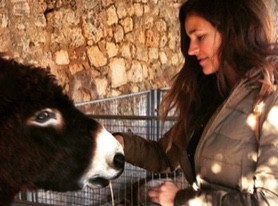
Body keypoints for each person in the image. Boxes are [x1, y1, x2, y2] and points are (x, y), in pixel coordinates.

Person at [114, 0, 278, 205]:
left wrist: (181, 199)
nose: (191, 49)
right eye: (189, 38)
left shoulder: (271, 99)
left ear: (232, 32)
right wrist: (121, 143)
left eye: (200, 37)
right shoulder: (208, 96)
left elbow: (268, 201)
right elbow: (164, 156)